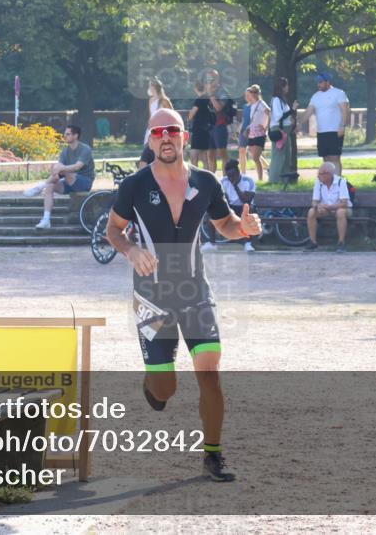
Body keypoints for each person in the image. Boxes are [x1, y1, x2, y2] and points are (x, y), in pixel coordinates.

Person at [106, 108, 262, 482]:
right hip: (152, 294)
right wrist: (131, 250)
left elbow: (224, 223)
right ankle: (153, 382)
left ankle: (213, 455)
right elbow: (113, 230)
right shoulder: (134, 186)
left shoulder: (206, 182)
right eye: (157, 131)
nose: (165, 137)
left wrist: (245, 229)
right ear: (150, 139)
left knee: (209, 369)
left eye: (172, 130)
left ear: (184, 137)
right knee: (165, 389)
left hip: (194, 290)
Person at [25, 125, 94, 229]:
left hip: (84, 182)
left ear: (75, 136)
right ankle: (46, 220)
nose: (64, 136)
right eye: (64, 134)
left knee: (62, 169)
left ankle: (40, 187)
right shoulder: (65, 151)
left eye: (68, 134)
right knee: (50, 186)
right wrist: (56, 170)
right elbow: (58, 170)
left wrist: (60, 169)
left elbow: (77, 167)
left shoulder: (85, 149)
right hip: (68, 181)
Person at [203, 159, 257, 253]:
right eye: (229, 176)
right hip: (230, 207)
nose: (231, 178)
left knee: (249, 210)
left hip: (244, 207)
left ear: (238, 172)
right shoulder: (223, 181)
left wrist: (236, 186)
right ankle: (212, 244)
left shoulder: (249, 181)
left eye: (233, 175)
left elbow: (246, 200)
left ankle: (248, 243)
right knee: (212, 213)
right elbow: (221, 199)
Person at [305, 72, 350, 174]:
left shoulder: (338, 93)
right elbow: (308, 112)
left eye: (320, 82)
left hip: (335, 130)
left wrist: (342, 126)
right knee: (326, 158)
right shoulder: (315, 96)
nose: (318, 84)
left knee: (335, 157)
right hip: (321, 131)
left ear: (328, 82)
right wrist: (298, 123)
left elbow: (345, 110)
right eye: (318, 82)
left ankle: (337, 181)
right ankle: (328, 182)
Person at [305, 162, 352, 253]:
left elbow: (344, 203)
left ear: (329, 174)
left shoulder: (341, 181)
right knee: (311, 212)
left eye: (321, 174)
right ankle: (313, 242)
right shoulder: (318, 182)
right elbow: (314, 201)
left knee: (340, 212)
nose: (318, 176)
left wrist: (331, 207)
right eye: (318, 173)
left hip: (342, 208)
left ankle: (341, 242)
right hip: (326, 209)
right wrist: (317, 206)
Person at [267, 77, 298, 184]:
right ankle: (273, 180)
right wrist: (292, 110)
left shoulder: (282, 100)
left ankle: (285, 180)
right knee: (278, 156)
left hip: (286, 131)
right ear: (282, 87)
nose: (288, 87)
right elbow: (279, 116)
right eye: (286, 85)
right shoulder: (276, 100)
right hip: (279, 131)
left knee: (286, 157)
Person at [139, 77, 173, 169]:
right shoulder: (151, 100)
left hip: (162, 129)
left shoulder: (164, 100)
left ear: (154, 87)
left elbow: (172, 115)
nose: (149, 88)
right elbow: (151, 116)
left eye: (150, 86)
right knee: (147, 148)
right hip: (152, 128)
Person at [207, 69, 234, 172]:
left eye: (211, 78)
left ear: (217, 79)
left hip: (220, 126)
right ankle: (212, 179)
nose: (209, 81)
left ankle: (226, 178)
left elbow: (218, 107)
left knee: (222, 153)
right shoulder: (208, 92)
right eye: (207, 78)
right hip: (209, 127)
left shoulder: (223, 92)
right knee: (210, 154)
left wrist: (211, 95)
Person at [243, 85, 270, 181]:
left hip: (260, 134)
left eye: (255, 92)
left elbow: (269, 113)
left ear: (258, 93)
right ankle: (266, 169)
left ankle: (260, 178)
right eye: (252, 92)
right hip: (252, 133)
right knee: (252, 154)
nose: (253, 94)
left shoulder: (261, 104)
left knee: (255, 157)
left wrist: (266, 127)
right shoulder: (252, 105)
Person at [187, 79, 214, 171]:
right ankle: (208, 176)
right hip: (206, 131)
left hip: (198, 131)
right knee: (204, 157)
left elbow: (191, 115)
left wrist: (189, 115)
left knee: (193, 156)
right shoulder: (208, 99)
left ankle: (196, 176)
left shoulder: (199, 100)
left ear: (196, 88)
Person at [237, 103, 252, 174]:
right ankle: (243, 173)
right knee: (242, 150)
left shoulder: (258, 105)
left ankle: (268, 167)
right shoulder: (245, 106)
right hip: (243, 131)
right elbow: (243, 119)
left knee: (254, 153)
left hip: (253, 131)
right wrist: (238, 130)